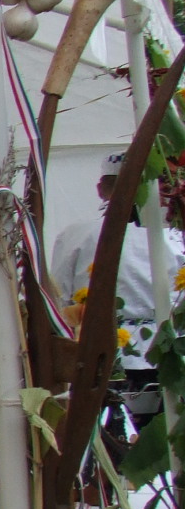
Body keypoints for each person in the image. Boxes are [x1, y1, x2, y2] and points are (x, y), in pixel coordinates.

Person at [50, 152, 183, 382]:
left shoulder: (74, 236)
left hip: (96, 352)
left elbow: (58, 295)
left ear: (100, 189)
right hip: (165, 351)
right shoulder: (172, 238)